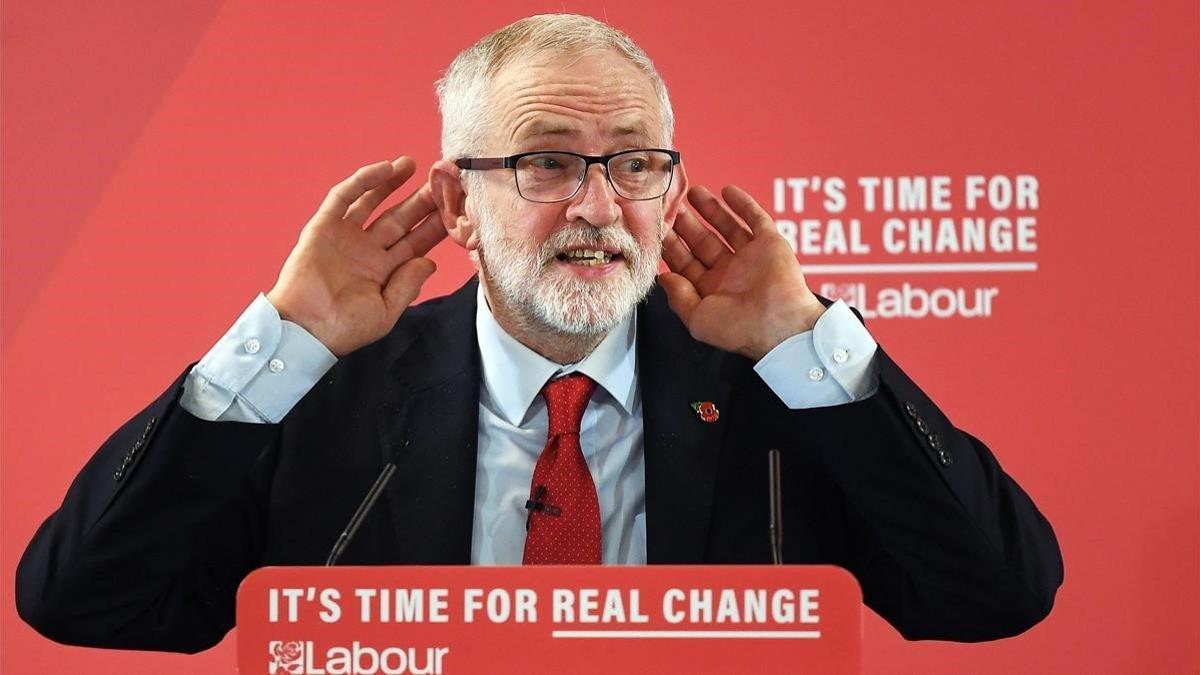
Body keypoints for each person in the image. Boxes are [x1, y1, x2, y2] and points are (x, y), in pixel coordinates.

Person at [16, 14, 1061, 653]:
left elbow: (991, 597)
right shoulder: (321, 395)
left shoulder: (773, 394)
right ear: (455, 203)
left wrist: (804, 340)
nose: (599, 207)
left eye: (636, 164)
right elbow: (87, 601)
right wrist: (284, 341)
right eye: (547, 162)